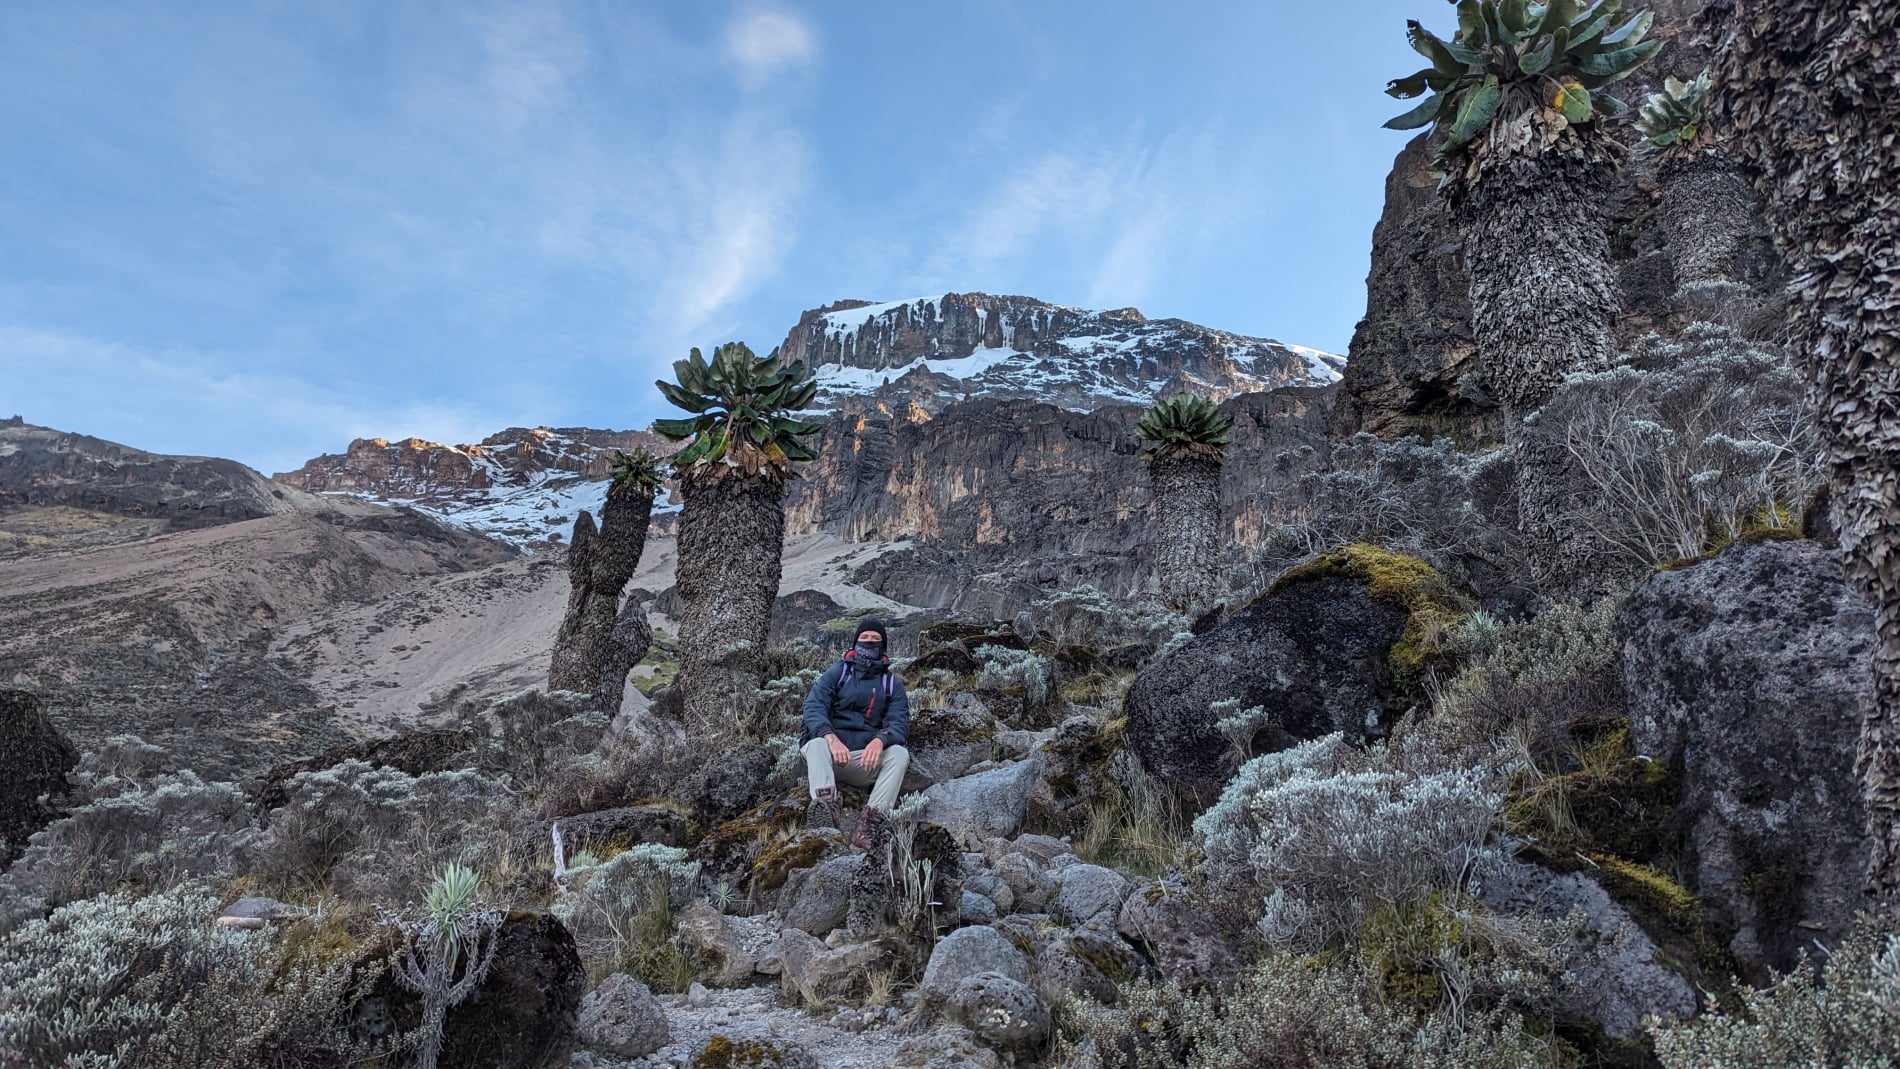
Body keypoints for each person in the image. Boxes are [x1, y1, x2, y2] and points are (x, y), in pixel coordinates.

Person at [800, 617, 910, 849]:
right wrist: (831, 739)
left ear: (883, 645)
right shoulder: (838, 672)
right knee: (817, 744)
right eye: (864, 637)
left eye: (875, 638)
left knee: (899, 754)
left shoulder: (892, 684)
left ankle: (870, 824)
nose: (869, 642)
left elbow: (899, 723)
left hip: (862, 761)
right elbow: (813, 706)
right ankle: (826, 810)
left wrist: (880, 740)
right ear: (855, 642)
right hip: (827, 758)